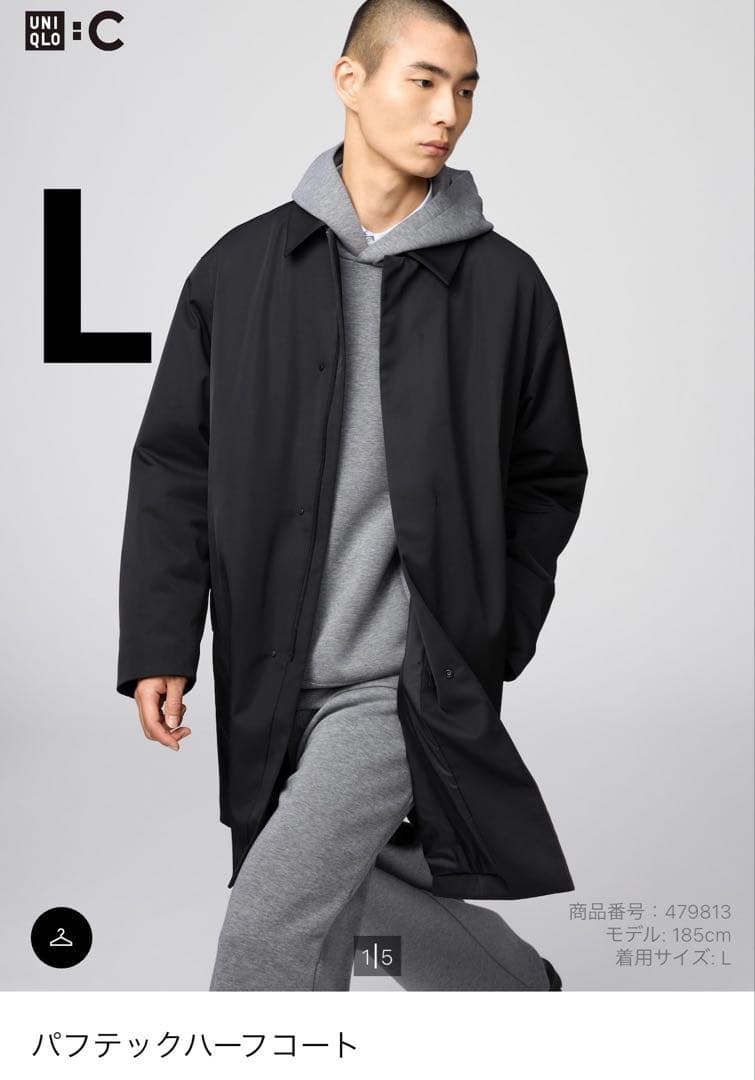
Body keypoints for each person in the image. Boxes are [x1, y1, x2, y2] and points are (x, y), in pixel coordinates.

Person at [117, 0, 586, 992]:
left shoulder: (503, 287)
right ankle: (520, 996)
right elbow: (176, 464)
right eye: (423, 81)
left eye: (465, 89)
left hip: (405, 678)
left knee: (270, 931)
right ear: (350, 82)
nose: (448, 112)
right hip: (271, 665)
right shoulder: (240, 271)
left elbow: (547, 475)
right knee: (348, 895)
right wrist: (161, 639)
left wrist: (488, 626)